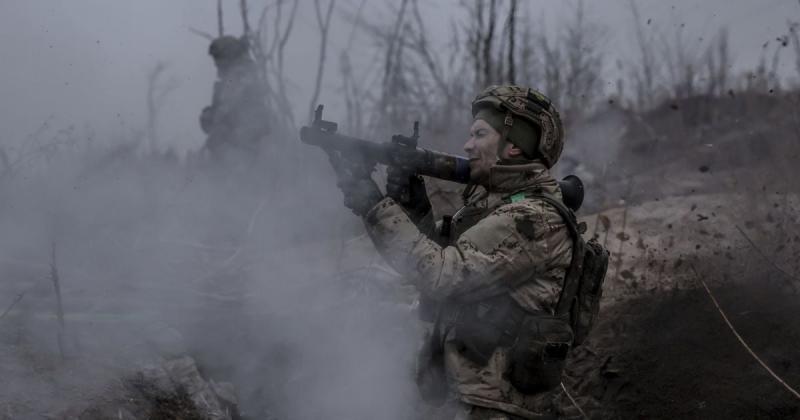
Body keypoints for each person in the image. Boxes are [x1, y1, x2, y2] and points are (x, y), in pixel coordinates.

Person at [330, 85, 575, 419]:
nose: (467, 145)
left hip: (495, 409)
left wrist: (374, 206)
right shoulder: (494, 208)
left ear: (514, 145)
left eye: (479, 134)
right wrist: (413, 210)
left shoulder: (533, 218)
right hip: (464, 400)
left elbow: (442, 276)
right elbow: (446, 268)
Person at [200, 35, 269, 162]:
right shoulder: (243, 74)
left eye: (217, 58)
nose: (215, 63)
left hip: (243, 145)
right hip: (244, 142)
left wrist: (209, 117)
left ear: (226, 56)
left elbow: (224, 110)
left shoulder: (238, 75)